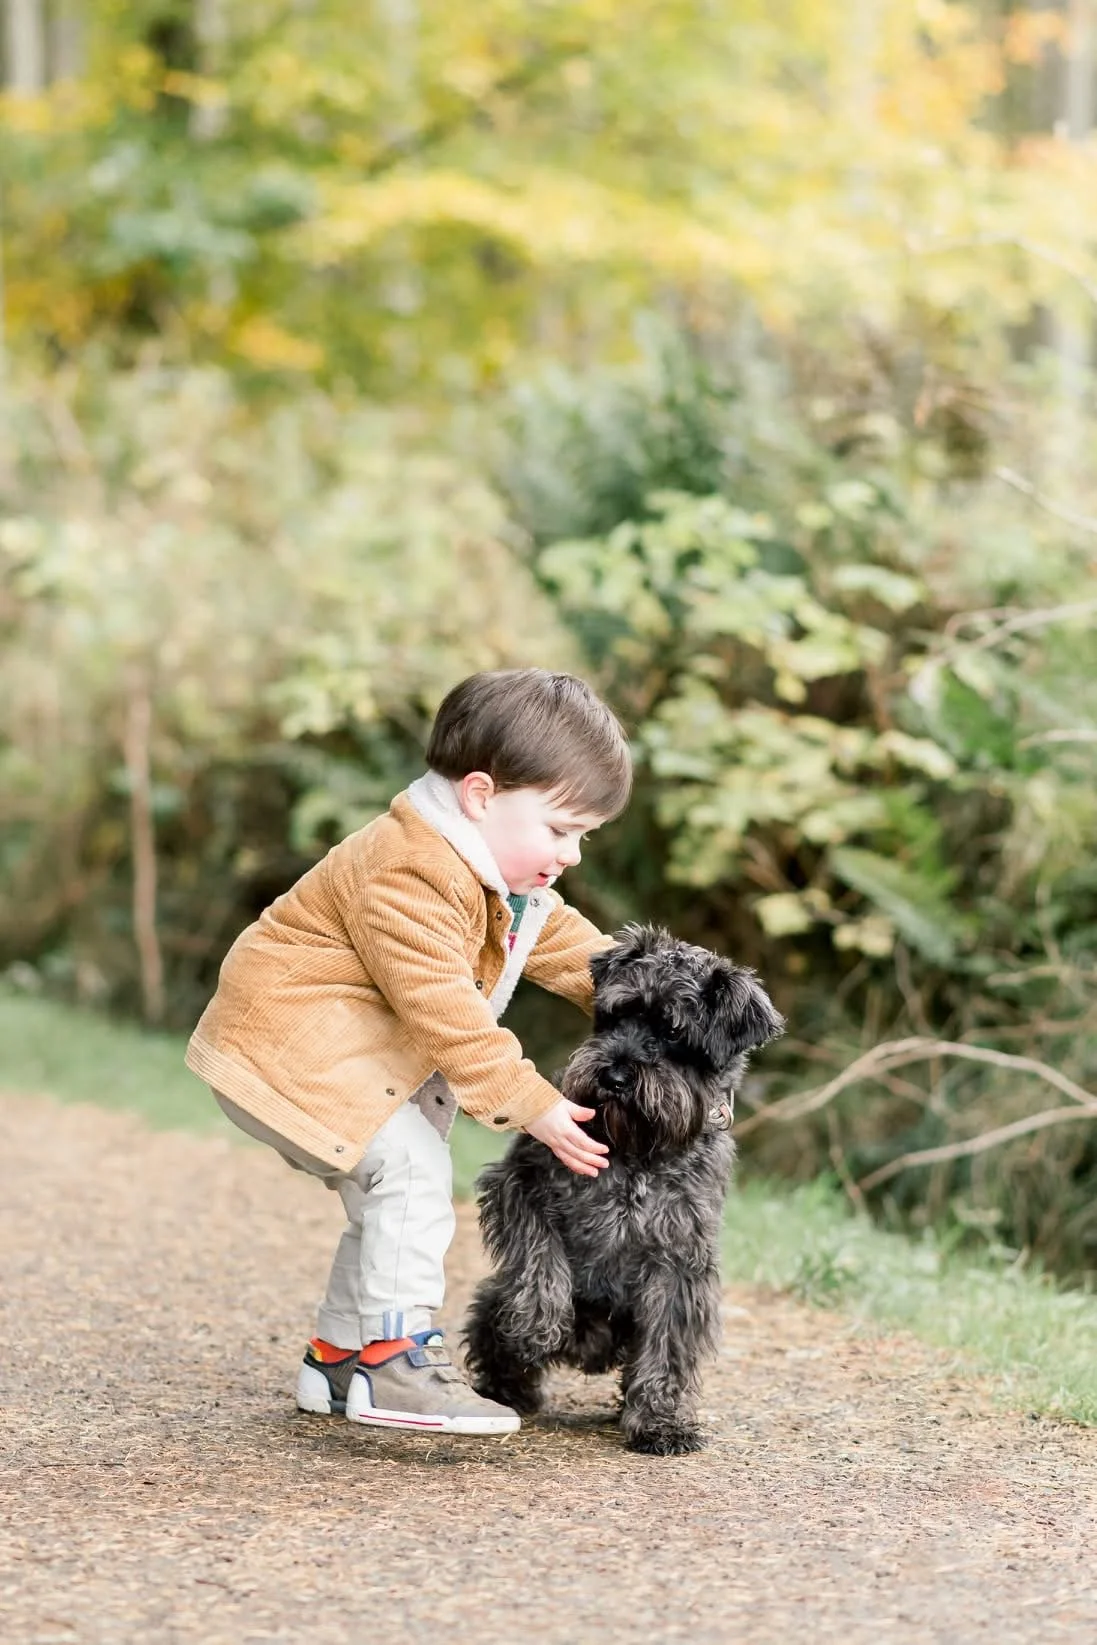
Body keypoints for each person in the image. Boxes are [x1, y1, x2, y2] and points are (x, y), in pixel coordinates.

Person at [186, 668, 632, 1435]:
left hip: (332, 1060)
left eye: (584, 836)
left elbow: (573, 952)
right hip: (290, 1052)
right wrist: (535, 1104)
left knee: (383, 1201)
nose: (573, 854)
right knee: (412, 1172)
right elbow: (445, 1011)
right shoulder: (407, 866)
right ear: (481, 795)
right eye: (560, 829)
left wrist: (660, 991)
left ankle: (337, 1358)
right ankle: (394, 1364)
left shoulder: (496, 879)